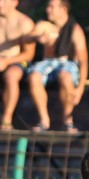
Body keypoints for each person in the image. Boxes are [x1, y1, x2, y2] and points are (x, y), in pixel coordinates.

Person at [25, 0, 87, 133]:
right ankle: (44, 120)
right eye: (48, 7)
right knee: (34, 76)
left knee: (65, 76)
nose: (48, 10)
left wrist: (81, 87)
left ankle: (68, 121)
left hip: (66, 64)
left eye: (52, 7)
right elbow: (28, 37)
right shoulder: (44, 25)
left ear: (63, 10)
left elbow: (83, 60)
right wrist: (38, 38)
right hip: (47, 63)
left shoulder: (74, 29)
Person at [0, 0, 35, 130]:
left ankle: (6, 119)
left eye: (5, 1)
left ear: (15, 2)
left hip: (17, 61)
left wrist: (6, 61)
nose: (1, 4)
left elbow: (29, 54)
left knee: (11, 75)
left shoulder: (24, 23)